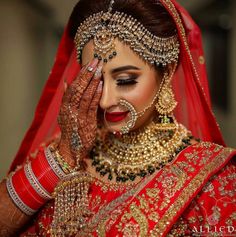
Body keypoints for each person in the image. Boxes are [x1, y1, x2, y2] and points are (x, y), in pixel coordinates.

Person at [0, 0, 235, 236]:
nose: (105, 101)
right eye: (95, 81)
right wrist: (64, 156)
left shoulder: (211, 182)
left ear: (168, 70)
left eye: (125, 80)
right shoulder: (62, 153)